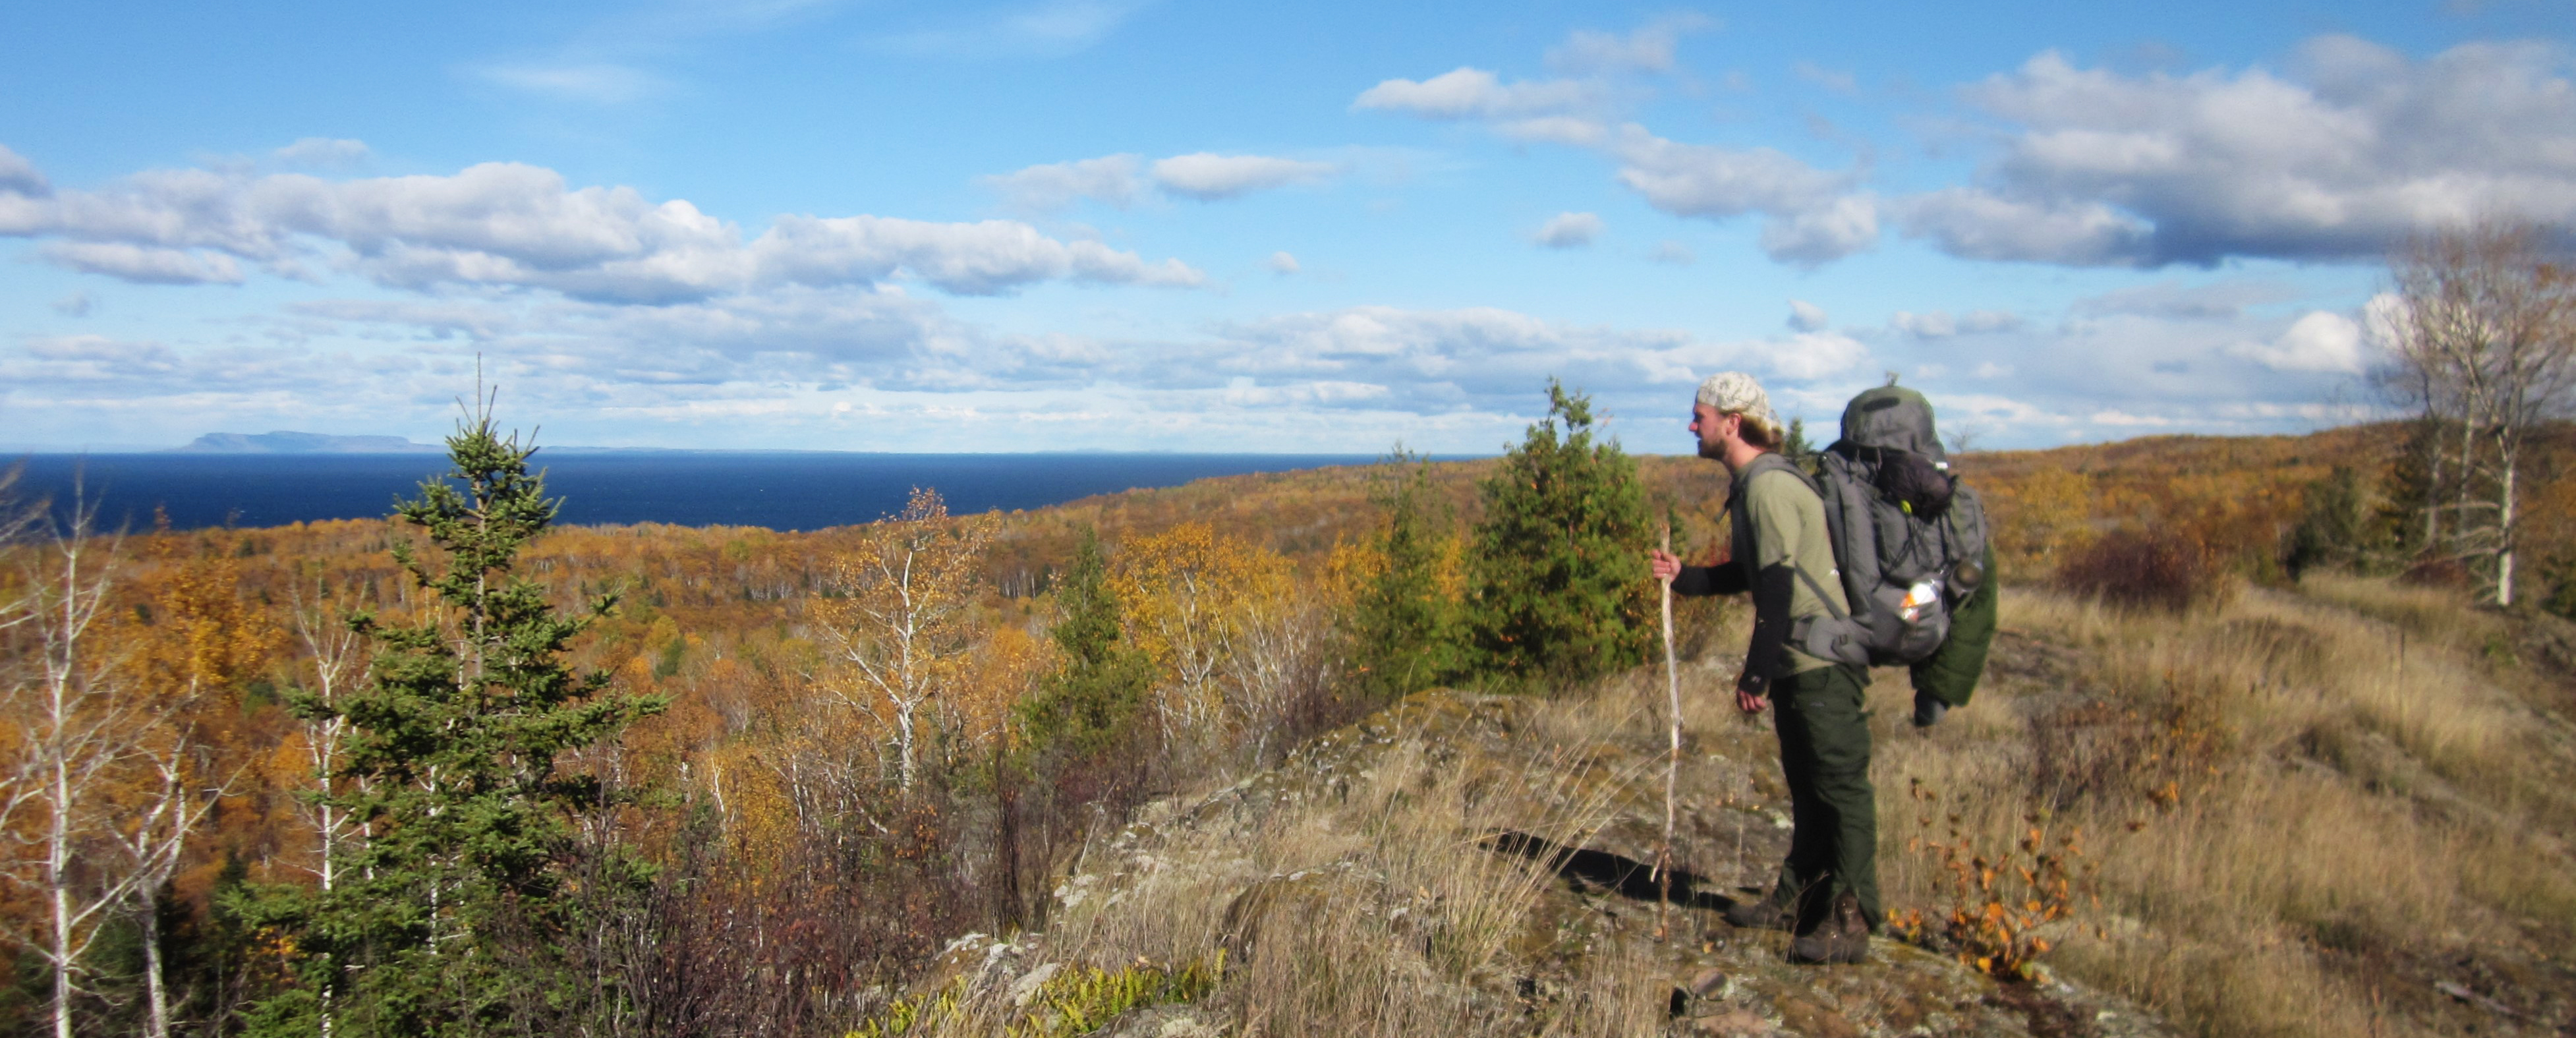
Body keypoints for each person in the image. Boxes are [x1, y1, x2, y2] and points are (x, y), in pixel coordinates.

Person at [1646, 372, 1876, 966]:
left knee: (1839, 791)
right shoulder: (1755, 485)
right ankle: (1797, 902)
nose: (1691, 425)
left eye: (1698, 415)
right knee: (1808, 786)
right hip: (1806, 661)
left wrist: (1756, 674)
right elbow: (1751, 573)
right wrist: (1686, 576)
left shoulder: (1767, 489)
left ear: (1732, 420)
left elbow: (1775, 588)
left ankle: (1850, 922)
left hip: (1819, 662)